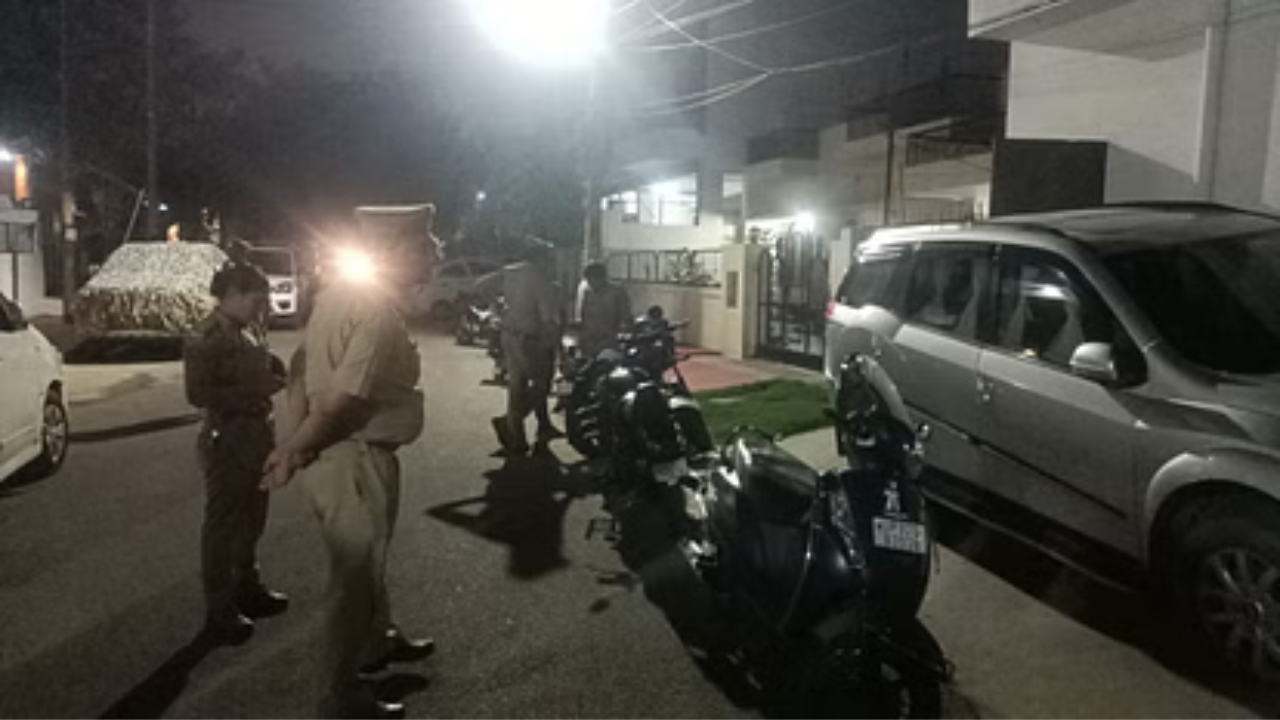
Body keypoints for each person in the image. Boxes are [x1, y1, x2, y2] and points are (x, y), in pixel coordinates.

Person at [262, 236, 435, 720]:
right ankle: (339, 695)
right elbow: (342, 399)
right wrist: (294, 449)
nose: (435, 261)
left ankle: (377, 639)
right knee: (353, 580)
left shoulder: (335, 298)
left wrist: (297, 440)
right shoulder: (373, 310)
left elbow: (300, 373)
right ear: (398, 252)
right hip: (354, 455)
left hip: (335, 453)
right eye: (427, 250)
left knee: (365, 568)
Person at [183, 262, 289, 645]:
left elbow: (258, 366)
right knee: (222, 526)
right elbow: (198, 394)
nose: (261, 308)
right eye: (254, 300)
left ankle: (248, 586)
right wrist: (253, 392)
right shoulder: (205, 336)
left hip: (258, 434)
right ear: (230, 295)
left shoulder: (251, 328)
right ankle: (220, 608)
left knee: (253, 518)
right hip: (226, 436)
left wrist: (272, 376)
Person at [477, 240, 562, 455]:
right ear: (540, 257)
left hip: (510, 333)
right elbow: (547, 316)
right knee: (541, 385)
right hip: (531, 338)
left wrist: (497, 307)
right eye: (549, 258)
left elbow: (480, 285)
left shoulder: (511, 271)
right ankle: (510, 423)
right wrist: (553, 341)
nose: (552, 262)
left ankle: (518, 436)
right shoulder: (540, 277)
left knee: (517, 386)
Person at [575, 261, 631, 360]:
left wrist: (619, 334)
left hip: (609, 341)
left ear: (602, 278)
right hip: (589, 341)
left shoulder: (616, 292)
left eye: (593, 279)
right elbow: (583, 316)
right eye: (588, 280)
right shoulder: (586, 292)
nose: (591, 283)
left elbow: (625, 316)